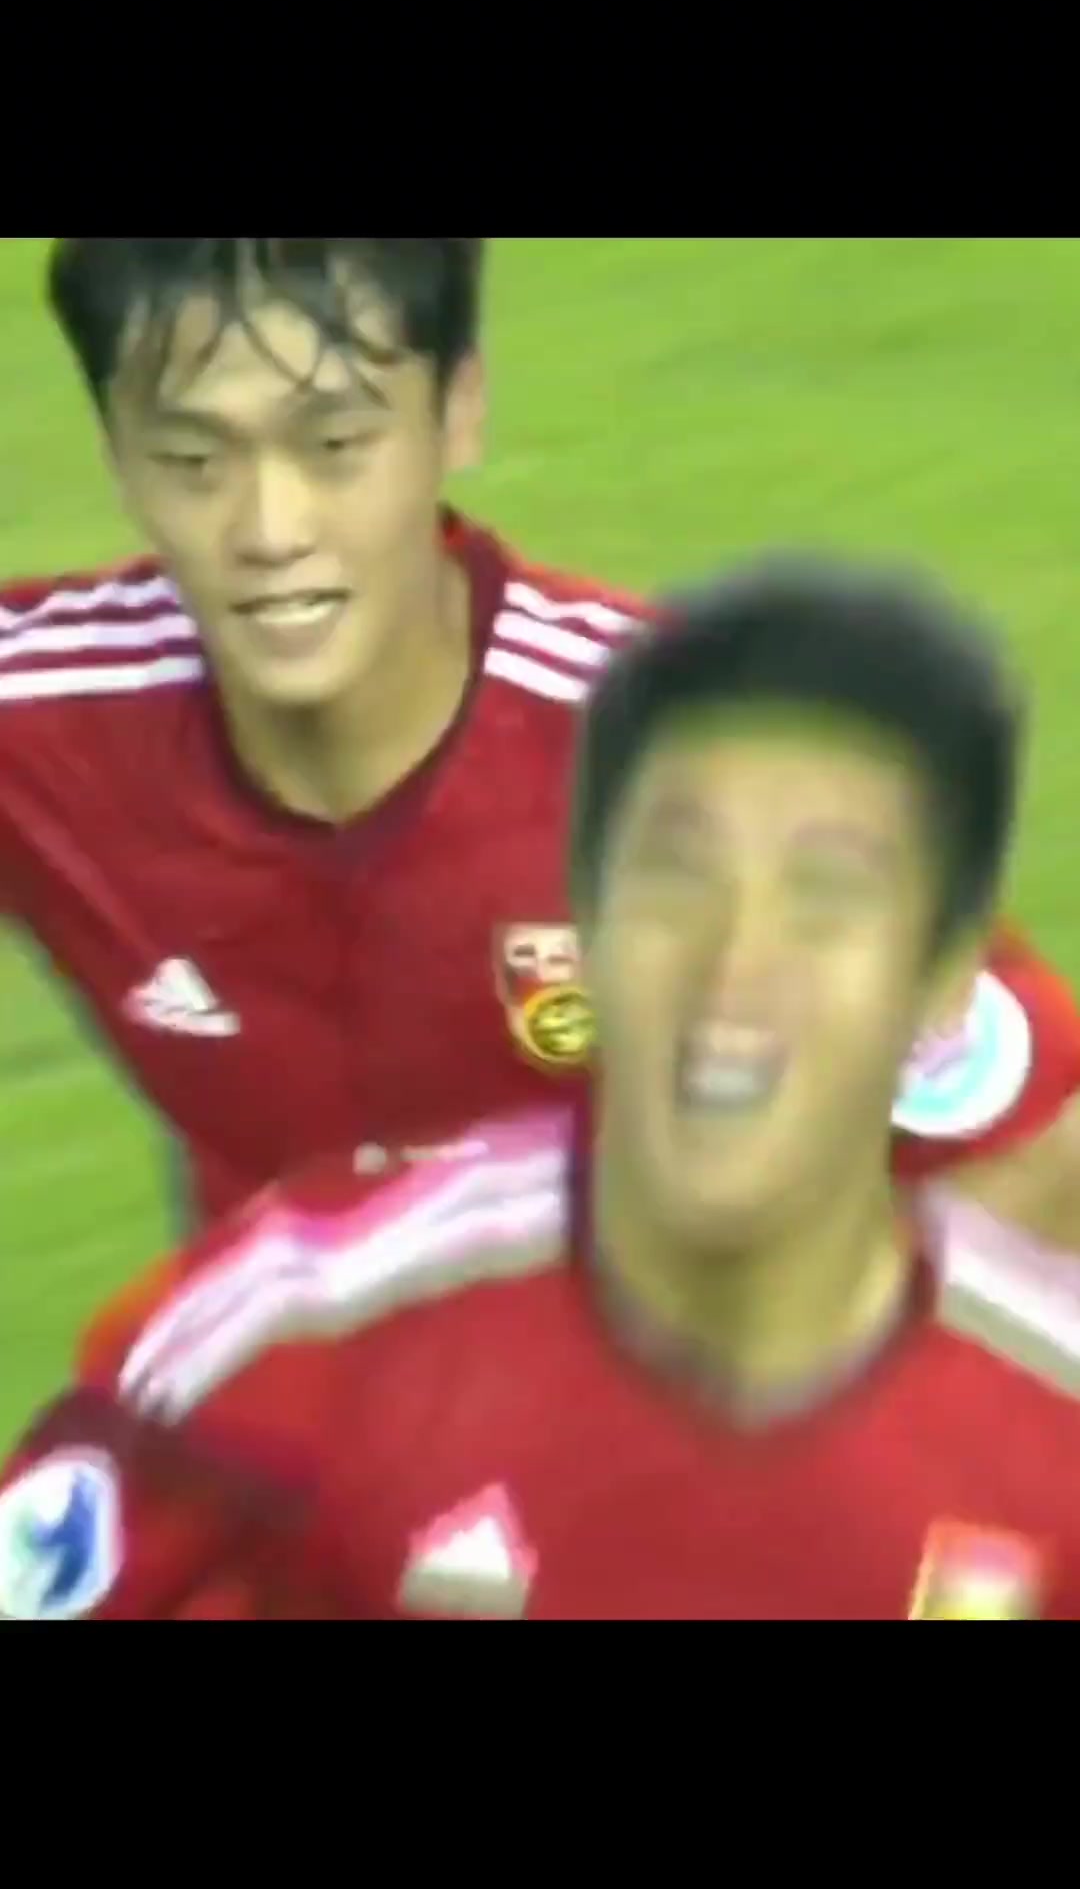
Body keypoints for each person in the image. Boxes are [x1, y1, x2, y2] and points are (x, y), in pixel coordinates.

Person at [6, 553, 1080, 1622]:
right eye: (679, 881)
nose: (736, 965)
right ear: (587, 921)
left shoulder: (1044, 1416)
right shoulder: (297, 1333)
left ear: (949, 976)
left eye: (825, 898)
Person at [0, 237, 1078, 1246]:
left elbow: (1042, 1142)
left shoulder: (699, 754)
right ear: (119, 459)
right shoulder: (52, 714)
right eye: (194, 459)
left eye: (336, 446)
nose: (271, 532)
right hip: (286, 1374)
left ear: (458, 411)